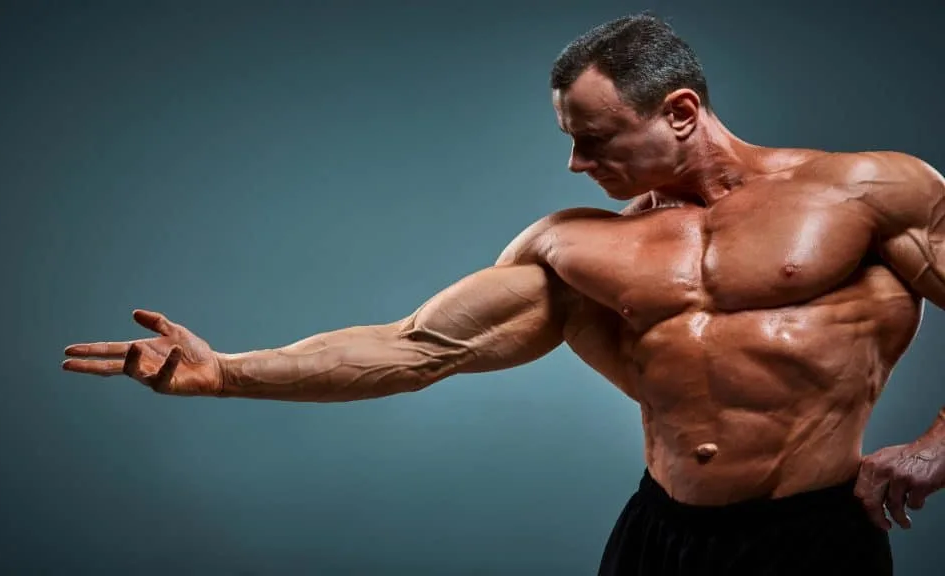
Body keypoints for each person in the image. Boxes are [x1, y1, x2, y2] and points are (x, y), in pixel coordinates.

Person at [61, 12, 945, 575]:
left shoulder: (865, 192)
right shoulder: (576, 245)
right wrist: (228, 373)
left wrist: (939, 447)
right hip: (660, 539)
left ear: (680, 112)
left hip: (809, 540)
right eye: (570, 140)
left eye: (597, 139)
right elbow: (416, 347)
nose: (574, 164)